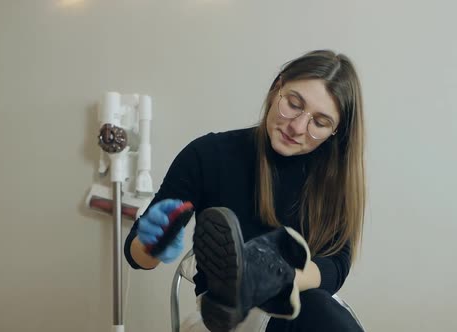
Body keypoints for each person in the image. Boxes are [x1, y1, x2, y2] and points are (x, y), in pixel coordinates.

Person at [124, 49, 365, 332]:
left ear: (336, 132)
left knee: (315, 307)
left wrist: (278, 277)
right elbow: (137, 257)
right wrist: (152, 243)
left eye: (320, 123)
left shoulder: (333, 180)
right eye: (294, 103)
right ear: (278, 87)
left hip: (300, 307)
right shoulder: (208, 155)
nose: (298, 126)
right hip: (225, 317)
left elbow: (336, 265)